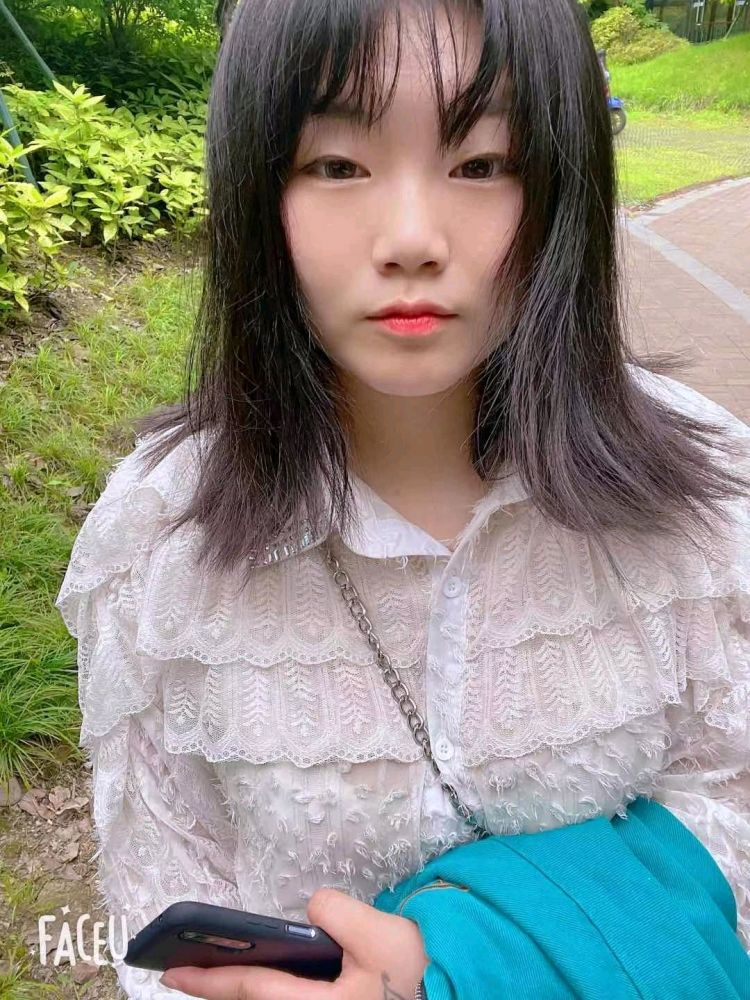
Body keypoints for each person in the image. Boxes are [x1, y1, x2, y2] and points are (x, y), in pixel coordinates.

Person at [54, 0, 750, 997]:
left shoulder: (703, 497)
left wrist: (475, 965)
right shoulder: (160, 544)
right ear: (256, 189)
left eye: (483, 164)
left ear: (564, 183)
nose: (413, 239)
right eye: (338, 166)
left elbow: (733, 831)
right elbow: (169, 925)